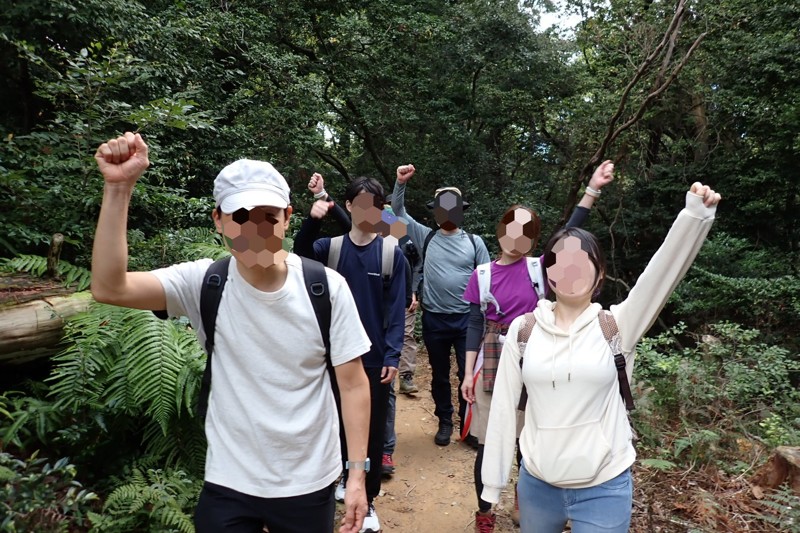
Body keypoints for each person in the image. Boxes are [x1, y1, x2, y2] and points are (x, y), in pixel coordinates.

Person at [91, 132, 372, 533]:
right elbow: (109, 287)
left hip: (308, 478)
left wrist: (357, 475)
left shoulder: (325, 288)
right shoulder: (204, 283)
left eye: (267, 216)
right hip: (228, 479)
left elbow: (353, 385)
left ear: (288, 217)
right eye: (240, 217)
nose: (254, 229)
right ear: (219, 220)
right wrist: (119, 188)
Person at [481, 182, 722, 532]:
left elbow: (661, 277)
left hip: (604, 486)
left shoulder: (618, 325)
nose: (571, 269)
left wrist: (694, 216)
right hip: (537, 484)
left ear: (600, 274)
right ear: (547, 272)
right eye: (560, 261)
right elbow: (504, 405)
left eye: (582, 262)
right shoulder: (523, 329)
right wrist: (494, 482)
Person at [461, 162, 615, 532]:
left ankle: (523, 497)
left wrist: (592, 190)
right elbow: (473, 324)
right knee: (488, 440)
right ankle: (485, 509)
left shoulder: (539, 268)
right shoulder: (481, 275)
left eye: (525, 232)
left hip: (539, 357)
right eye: (510, 228)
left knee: (528, 436)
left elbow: (570, 233)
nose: (515, 237)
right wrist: (467, 372)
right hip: (494, 361)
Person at [294, 174, 408, 533]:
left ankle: (368, 499)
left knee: (370, 432)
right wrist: (312, 217)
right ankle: (329, 492)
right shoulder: (330, 248)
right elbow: (297, 255)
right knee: (328, 426)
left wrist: (392, 355)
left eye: (374, 205)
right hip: (328, 353)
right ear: (347, 206)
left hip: (373, 357)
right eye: (359, 204)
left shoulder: (392, 251)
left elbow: (396, 308)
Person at [306, 175, 422, 478]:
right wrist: (322, 200)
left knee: (377, 411)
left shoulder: (395, 236)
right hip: (335, 351)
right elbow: (348, 226)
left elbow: (407, 261)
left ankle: (381, 456)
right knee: (333, 417)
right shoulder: (334, 247)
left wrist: (392, 354)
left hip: (376, 343)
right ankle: (339, 476)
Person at [391, 164, 491, 446]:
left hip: (467, 321)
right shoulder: (426, 236)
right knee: (440, 375)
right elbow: (397, 213)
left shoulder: (474, 242)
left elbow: (486, 281)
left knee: (466, 373)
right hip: (435, 318)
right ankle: (445, 421)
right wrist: (400, 183)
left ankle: (468, 426)